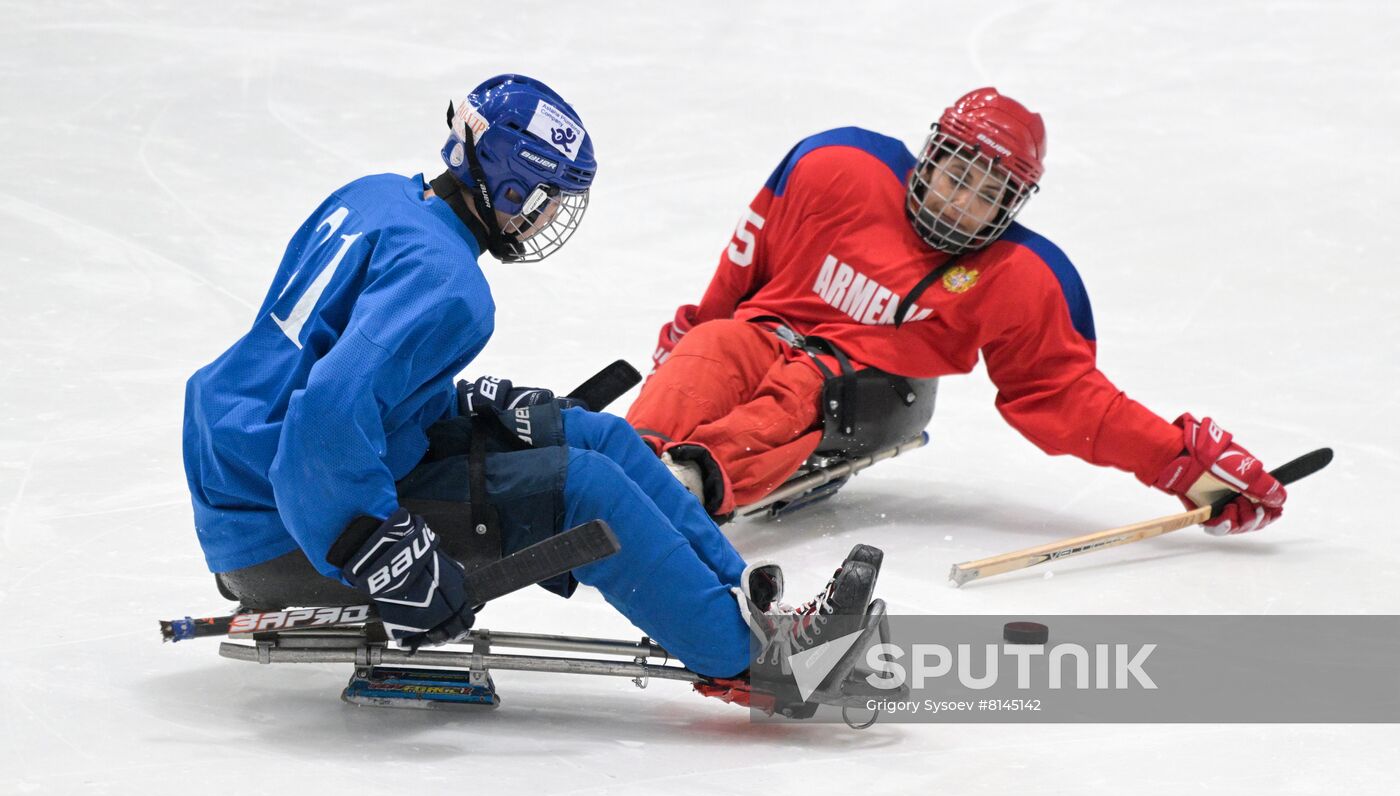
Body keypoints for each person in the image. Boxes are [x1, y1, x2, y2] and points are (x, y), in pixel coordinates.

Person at [181, 74, 879, 705]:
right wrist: (377, 547)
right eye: (550, 201)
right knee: (584, 491)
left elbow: (323, 361)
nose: (550, 220)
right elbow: (328, 418)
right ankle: (764, 660)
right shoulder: (450, 283)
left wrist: (448, 405)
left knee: (598, 436)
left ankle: (740, 598)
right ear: (515, 190)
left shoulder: (380, 196)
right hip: (282, 527)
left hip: (253, 467)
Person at [626, 88, 1287, 534]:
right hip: (767, 335)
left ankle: (689, 479)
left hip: (864, 389)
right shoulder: (836, 165)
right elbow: (747, 259)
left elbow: (1070, 399)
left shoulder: (1020, 277)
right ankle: (621, 464)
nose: (959, 199)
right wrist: (695, 327)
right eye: (955, 172)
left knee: (800, 387)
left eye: (987, 191)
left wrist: (1181, 462)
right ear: (931, 155)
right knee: (714, 344)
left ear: (1010, 206)